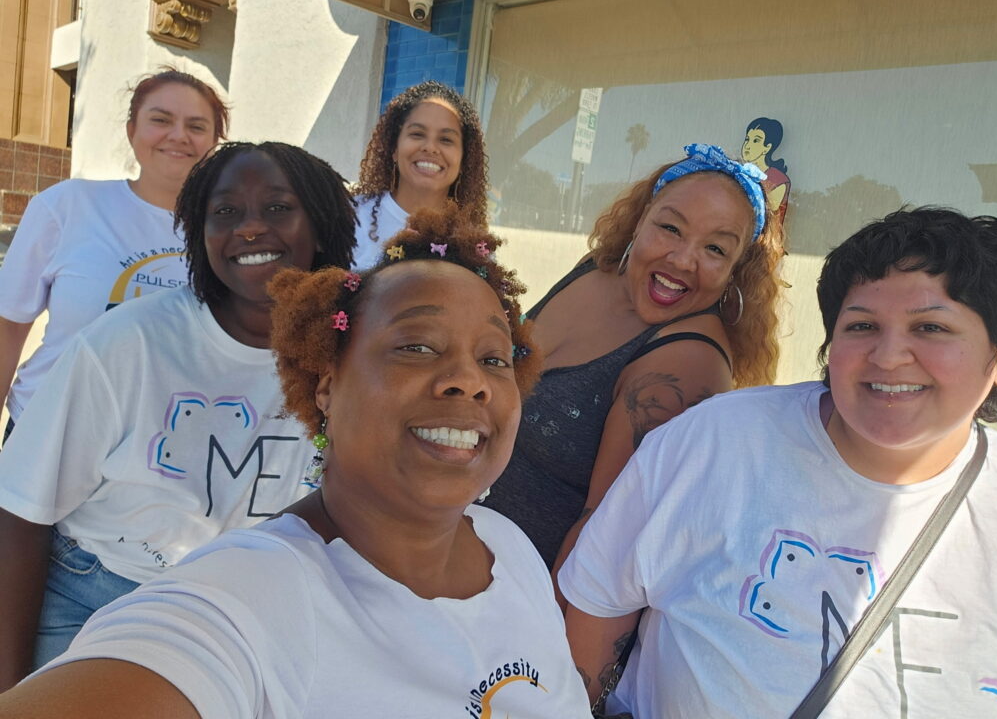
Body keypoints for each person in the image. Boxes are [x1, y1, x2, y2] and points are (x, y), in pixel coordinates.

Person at [0, 208, 593, 719]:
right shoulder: (248, 600)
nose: (470, 381)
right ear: (327, 386)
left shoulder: (508, 549)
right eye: (416, 346)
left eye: (494, 358)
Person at [561, 207, 997, 718]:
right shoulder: (717, 442)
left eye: (931, 327)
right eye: (862, 325)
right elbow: (596, 605)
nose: (889, 356)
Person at [0, 141, 357, 689]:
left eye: (279, 207)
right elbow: (21, 513)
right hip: (98, 593)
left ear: (323, 223)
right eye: (225, 212)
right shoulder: (128, 343)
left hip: (253, 610)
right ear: (198, 231)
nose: (251, 228)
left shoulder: (354, 354)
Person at [483, 144, 784, 578]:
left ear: (736, 270)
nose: (682, 260)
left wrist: (538, 640)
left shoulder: (687, 361)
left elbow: (604, 540)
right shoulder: (594, 269)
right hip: (451, 558)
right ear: (641, 219)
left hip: (517, 605)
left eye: (716, 249)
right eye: (670, 228)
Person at [0, 68, 229, 447]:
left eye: (196, 126)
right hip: (44, 433)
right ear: (131, 131)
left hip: (157, 450)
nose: (178, 135)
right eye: (160, 120)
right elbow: (8, 327)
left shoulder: (230, 233)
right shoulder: (68, 205)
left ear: (214, 143)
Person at [350, 80, 489, 269]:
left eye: (446, 139)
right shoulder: (350, 218)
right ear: (394, 148)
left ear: (464, 160)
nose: (430, 148)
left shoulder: (474, 246)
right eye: (417, 134)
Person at [741, 117, 791, 223]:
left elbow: (764, 214)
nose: (747, 146)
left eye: (756, 141)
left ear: (767, 148)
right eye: (747, 139)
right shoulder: (740, 173)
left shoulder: (778, 180)